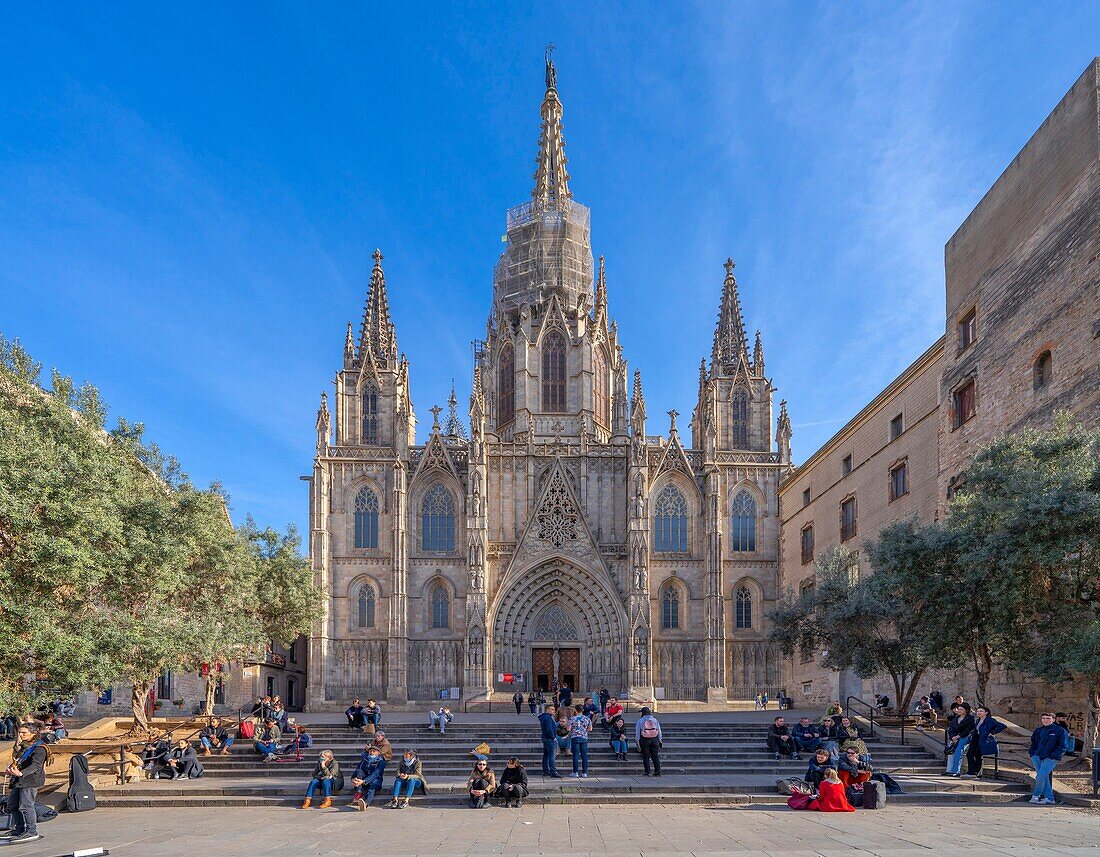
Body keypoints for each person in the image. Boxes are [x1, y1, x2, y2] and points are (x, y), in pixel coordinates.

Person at [3, 723, 48, 844]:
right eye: (20, 732)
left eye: (24, 733)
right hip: (19, 781)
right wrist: (11, 770)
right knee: (12, 805)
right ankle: (19, 829)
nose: (21, 735)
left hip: (30, 781)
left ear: (33, 733)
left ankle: (31, 831)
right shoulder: (25, 746)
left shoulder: (40, 748)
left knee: (26, 806)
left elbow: (36, 766)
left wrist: (21, 773)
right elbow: (19, 762)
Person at [1029, 712, 1067, 805]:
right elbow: (1034, 743)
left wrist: (1053, 756)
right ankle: (1049, 798)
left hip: (1050, 758)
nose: (1045, 720)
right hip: (1037, 756)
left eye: (1048, 718)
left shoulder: (1060, 731)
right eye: (1044, 718)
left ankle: (1035, 796)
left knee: (1040, 776)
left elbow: (1063, 745)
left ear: (1053, 719)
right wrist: (1032, 754)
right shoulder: (1038, 730)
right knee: (1044, 777)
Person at [964, 705, 1006, 778]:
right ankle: (971, 771)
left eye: (981, 711)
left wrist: (993, 732)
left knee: (978, 755)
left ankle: (977, 773)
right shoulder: (977, 720)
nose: (979, 712)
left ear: (986, 712)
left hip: (983, 739)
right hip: (975, 739)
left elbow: (1002, 726)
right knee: (969, 754)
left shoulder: (990, 720)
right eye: (977, 711)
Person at [349, 744, 386, 810]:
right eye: (370, 751)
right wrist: (352, 778)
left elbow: (376, 774)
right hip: (362, 781)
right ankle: (359, 792)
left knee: (371, 790)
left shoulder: (381, 762)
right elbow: (358, 769)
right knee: (359, 771)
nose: (371, 753)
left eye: (374, 751)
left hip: (375, 781)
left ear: (378, 753)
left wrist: (364, 781)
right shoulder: (365, 760)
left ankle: (365, 804)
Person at [945, 703, 975, 776]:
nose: (959, 711)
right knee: (950, 753)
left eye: (961, 709)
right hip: (954, 738)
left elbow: (968, 730)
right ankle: (949, 770)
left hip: (964, 737)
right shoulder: (955, 718)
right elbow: (951, 728)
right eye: (958, 709)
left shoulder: (970, 719)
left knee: (958, 752)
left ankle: (956, 771)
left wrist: (959, 736)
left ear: (966, 710)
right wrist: (952, 737)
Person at [635, 706, 663, 776]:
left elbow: (637, 732)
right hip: (655, 739)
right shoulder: (655, 720)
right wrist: (660, 739)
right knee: (655, 756)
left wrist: (637, 740)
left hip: (644, 739)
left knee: (646, 756)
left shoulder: (640, 720)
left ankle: (647, 771)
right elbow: (659, 730)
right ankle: (657, 771)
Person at [569, 703, 592, 778]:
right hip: (584, 737)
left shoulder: (572, 718)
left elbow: (568, 729)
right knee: (584, 755)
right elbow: (590, 729)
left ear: (575, 710)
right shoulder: (587, 718)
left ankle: (575, 772)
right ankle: (584, 772)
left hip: (575, 737)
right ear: (583, 710)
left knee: (575, 755)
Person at [538, 704, 562, 777]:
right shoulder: (548, 718)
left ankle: (546, 771)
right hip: (549, 739)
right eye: (552, 709)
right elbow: (549, 729)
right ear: (547, 709)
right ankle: (553, 772)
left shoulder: (545, 717)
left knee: (546, 755)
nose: (554, 711)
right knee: (551, 756)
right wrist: (553, 737)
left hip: (545, 738)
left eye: (554, 709)